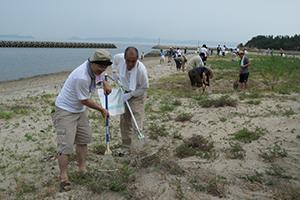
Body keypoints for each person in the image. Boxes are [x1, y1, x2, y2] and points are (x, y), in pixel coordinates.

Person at [51, 49, 112, 191]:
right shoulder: (82, 76)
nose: (102, 70)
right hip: (66, 111)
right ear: (92, 62)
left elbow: (97, 76)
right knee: (66, 146)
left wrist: (105, 83)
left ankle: (82, 170)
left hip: (79, 110)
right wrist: (101, 109)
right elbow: (84, 100)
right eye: (99, 67)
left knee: (83, 140)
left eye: (105, 67)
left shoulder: (93, 70)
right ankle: (64, 178)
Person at [112, 47, 149, 156]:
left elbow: (145, 87)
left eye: (133, 61)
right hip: (124, 92)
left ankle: (135, 152)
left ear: (137, 58)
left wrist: (131, 95)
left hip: (137, 95)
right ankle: (127, 148)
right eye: (128, 60)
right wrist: (114, 71)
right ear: (124, 58)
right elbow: (114, 60)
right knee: (125, 122)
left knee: (136, 124)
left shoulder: (141, 70)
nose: (130, 63)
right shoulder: (120, 58)